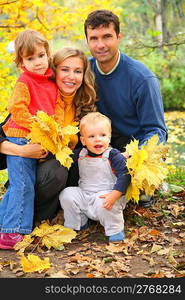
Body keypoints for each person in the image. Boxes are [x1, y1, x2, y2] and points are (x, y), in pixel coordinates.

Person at [0, 44, 97, 249]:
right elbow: (8, 128)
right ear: (54, 71)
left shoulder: (85, 104)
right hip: (30, 170)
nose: (71, 76)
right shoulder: (39, 97)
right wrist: (21, 150)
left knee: (71, 162)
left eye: (77, 71)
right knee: (56, 169)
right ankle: (20, 223)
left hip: (58, 174)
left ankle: (50, 216)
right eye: (65, 69)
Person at [84, 9, 168, 207]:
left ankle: (152, 183)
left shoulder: (142, 79)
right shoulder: (83, 72)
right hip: (100, 142)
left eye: (107, 37)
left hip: (134, 146)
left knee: (138, 195)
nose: (100, 44)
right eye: (94, 38)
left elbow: (157, 131)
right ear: (87, 41)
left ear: (118, 37)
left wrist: (132, 154)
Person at [59, 112, 131, 242]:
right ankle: (78, 224)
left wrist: (115, 194)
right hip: (85, 195)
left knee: (106, 205)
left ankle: (115, 230)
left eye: (103, 135)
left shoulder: (113, 155)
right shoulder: (79, 154)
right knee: (67, 194)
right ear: (83, 140)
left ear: (109, 137)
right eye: (91, 136)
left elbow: (125, 175)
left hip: (107, 195)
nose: (98, 139)